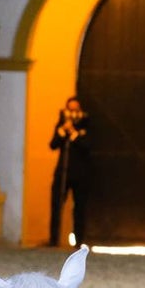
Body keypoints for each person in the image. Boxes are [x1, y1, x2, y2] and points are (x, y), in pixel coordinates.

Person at [48, 97, 91, 247]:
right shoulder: (61, 126)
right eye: (69, 109)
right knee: (56, 204)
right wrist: (61, 132)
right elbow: (53, 145)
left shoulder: (86, 126)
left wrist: (73, 133)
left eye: (75, 109)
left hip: (80, 174)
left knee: (79, 207)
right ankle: (54, 239)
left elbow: (87, 147)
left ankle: (79, 241)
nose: (72, 113)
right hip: (63, 172)